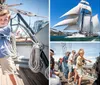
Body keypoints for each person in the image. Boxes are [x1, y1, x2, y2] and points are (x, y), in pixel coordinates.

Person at [0, 9, 17, 85]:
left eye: (5, 19)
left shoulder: (7, 28)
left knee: (11, 73)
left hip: (4, 54)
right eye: (0, 19)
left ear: (9, 20)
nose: (2, 21)